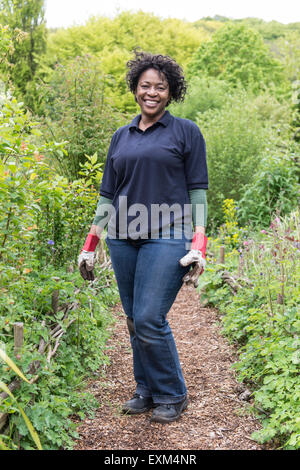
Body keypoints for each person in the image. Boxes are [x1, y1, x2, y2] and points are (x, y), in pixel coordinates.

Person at [78, 51, 208, 424]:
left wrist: (199, 243)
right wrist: (91, 245)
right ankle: (146, 389)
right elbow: (107, 194)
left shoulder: (186, 132)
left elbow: (197, 190)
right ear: (135, 88)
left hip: (169, 233)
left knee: (150, 316)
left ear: (171, 92)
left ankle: (172, 392)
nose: (151, 92)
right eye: (145, 86)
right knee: (135, 319)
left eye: (160, 87)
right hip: (122, 235)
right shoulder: (121, 136)